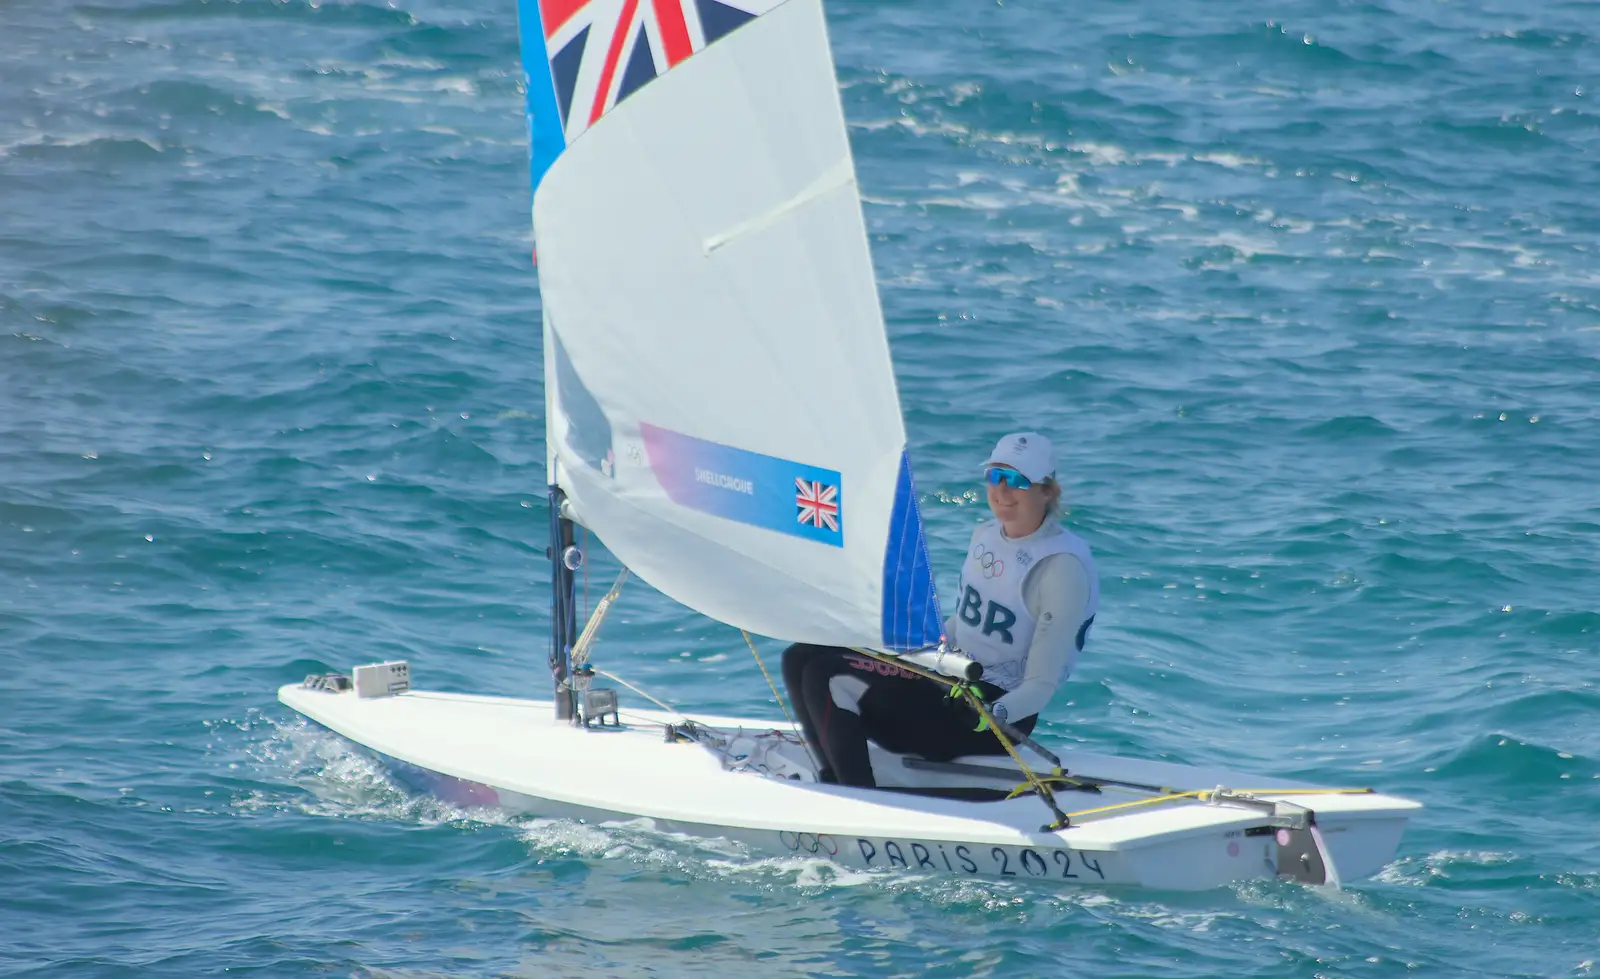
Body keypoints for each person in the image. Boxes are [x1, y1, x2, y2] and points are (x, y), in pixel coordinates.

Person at [780, 432, 1099, 788]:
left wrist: (992, 714)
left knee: (828, 674)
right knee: (803, 654)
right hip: (951, 682)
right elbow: (962, 625)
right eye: (996, 476)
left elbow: (1041, 686)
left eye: (1018, 481)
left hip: (992, 717)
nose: (1002, 492)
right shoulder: (987, 534)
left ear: (1047, 490)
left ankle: (861, 800)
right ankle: (832, 778)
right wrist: (899, 650)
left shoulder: (1060, 569)